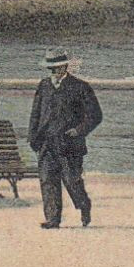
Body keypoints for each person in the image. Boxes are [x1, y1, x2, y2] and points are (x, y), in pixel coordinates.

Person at [28, 49, 101, 229]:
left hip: (70, 144)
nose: (53, 72)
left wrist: (78, 130)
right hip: (46, 142)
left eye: (56, 68)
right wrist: (33, 138)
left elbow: (95, 115)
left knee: (72, 181)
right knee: (48, 181)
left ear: (65, 66)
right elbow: (35, 114)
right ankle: (53, 219)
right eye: (50, 68)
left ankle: (84, 205)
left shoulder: (80, 87)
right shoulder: (43, 86)